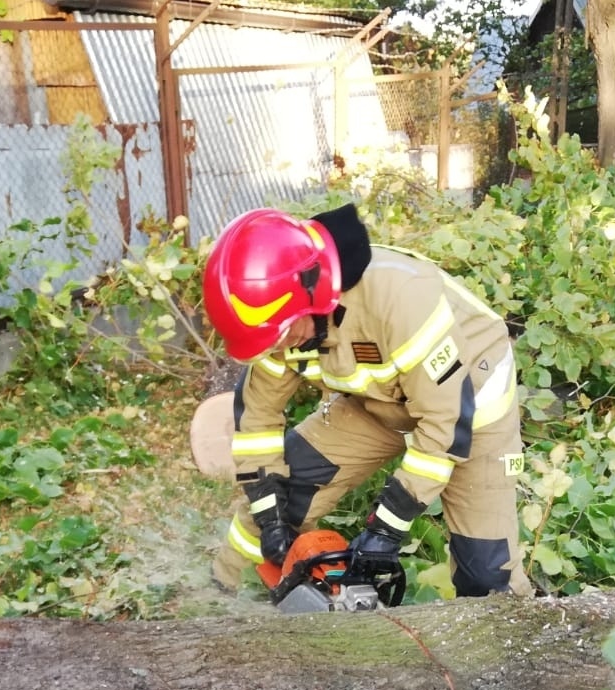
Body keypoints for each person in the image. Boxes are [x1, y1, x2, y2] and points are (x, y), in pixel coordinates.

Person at [201, 203, 530, 598]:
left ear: (313, 295)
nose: (278, 347)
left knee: (486, 577)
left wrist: (386, 529)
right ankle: (222, 595)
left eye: (283, 334)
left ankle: (511, 638)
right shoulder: (285, 327)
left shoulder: (400, 301)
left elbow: (443, 423)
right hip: (379, 403)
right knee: (284, 498)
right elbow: (257, 419)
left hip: (469, 405)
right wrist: (268, 513)